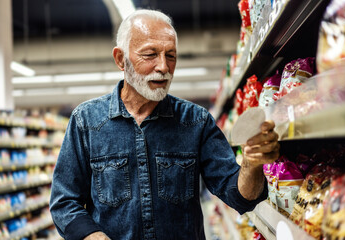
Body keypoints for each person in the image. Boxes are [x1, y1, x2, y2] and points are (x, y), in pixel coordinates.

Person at [49, 9, 279, 240]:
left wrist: (251, 164)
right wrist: (92, 235)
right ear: (121, 59)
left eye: (171, 55)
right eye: (150, 54)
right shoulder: (86, 122)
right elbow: (64, 202)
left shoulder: (196, 121)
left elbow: (238, 196)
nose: (163, 67)